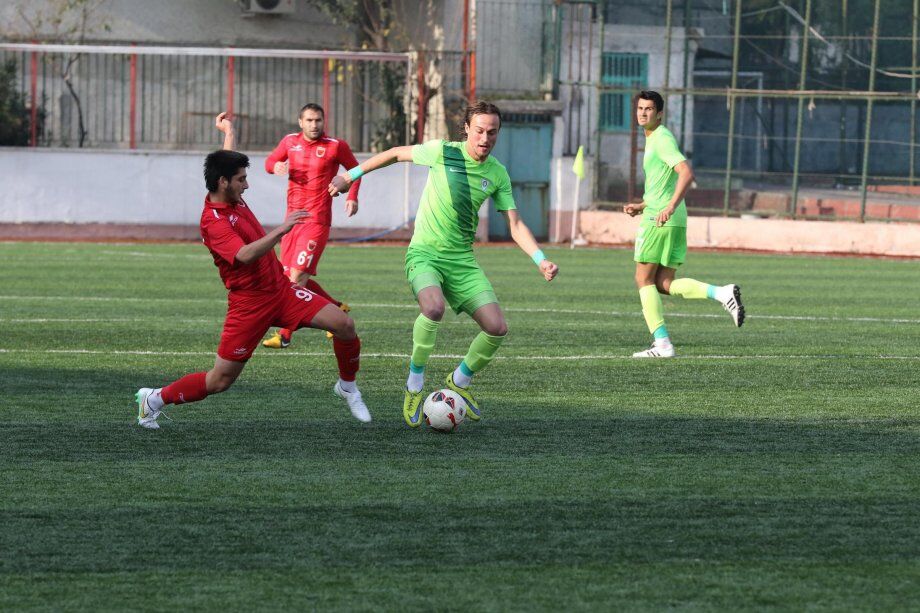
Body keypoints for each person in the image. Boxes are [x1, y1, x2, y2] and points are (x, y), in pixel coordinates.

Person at [329, 101, 559, 427]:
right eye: (479, 130)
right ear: (466, 128)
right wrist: (349, 176)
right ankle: (414, 384)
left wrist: (541, 259)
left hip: (462, 261)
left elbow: (516, 224)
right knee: (433, 308)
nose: (485, 138)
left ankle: (459, 381)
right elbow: (394, 153)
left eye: (492, 132)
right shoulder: (443, 152)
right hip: (424, 253)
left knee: (497, 328)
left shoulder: (497, 173)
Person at [134, 112, 371, 429]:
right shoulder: (214, 222)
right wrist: (281, 230)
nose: (247, 184)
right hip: (249, 304)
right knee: (219, 381)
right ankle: (153, 399)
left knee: (344, 324)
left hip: (281, 290)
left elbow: (227, 158)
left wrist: (228, 132)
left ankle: (347, 387)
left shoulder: (230, 193)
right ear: (223, 182)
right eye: (241, 179)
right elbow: (244, 255)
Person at [623, 90, 744, 358]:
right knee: (664, 283)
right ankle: (721, 293)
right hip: (672, 219)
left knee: (643, 279)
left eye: (649, 109)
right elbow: (663, 183)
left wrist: (667, 207)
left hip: (660, 219)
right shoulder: (656, 138)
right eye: (640, 108)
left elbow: (686, 173)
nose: (643, 113)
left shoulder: (661, 138)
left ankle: (663, 344)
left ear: (659, 113)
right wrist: (642, 205)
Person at [261, 103, 361, 349]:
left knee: (297, 276)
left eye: (318, 120)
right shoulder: (289, 142)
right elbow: (270, 161)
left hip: (316, 220)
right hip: (292, 221)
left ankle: (285, 335)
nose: (314, 125)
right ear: (300, 122)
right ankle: (337, 308)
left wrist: (351, 197)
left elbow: (356, 170)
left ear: (323, 121)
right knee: (288, 277)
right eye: (309, 120)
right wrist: (275, 167)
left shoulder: (335, 146)